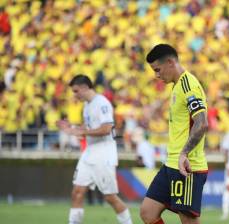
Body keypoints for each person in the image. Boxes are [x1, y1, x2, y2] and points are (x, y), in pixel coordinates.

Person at [140, 44, 209, 224]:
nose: (156, 75)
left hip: (187, 166)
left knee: (188, 221)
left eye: (157, 69)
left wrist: (184, 153)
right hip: (171, 163)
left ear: (170, 62)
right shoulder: (177, 86)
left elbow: (201, 123)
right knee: (148, 212)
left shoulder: (188, 85)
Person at [56, 74, 132, 224]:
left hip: (104, 153)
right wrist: (72, 128)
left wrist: (81, 132)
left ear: (85, 87)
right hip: (89, 152)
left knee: (110, 197)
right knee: (77, 192)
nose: (74, 95)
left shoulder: (102, 103)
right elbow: (88, 127)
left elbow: (106, 128)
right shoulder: (87, 105)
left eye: (76, 91)